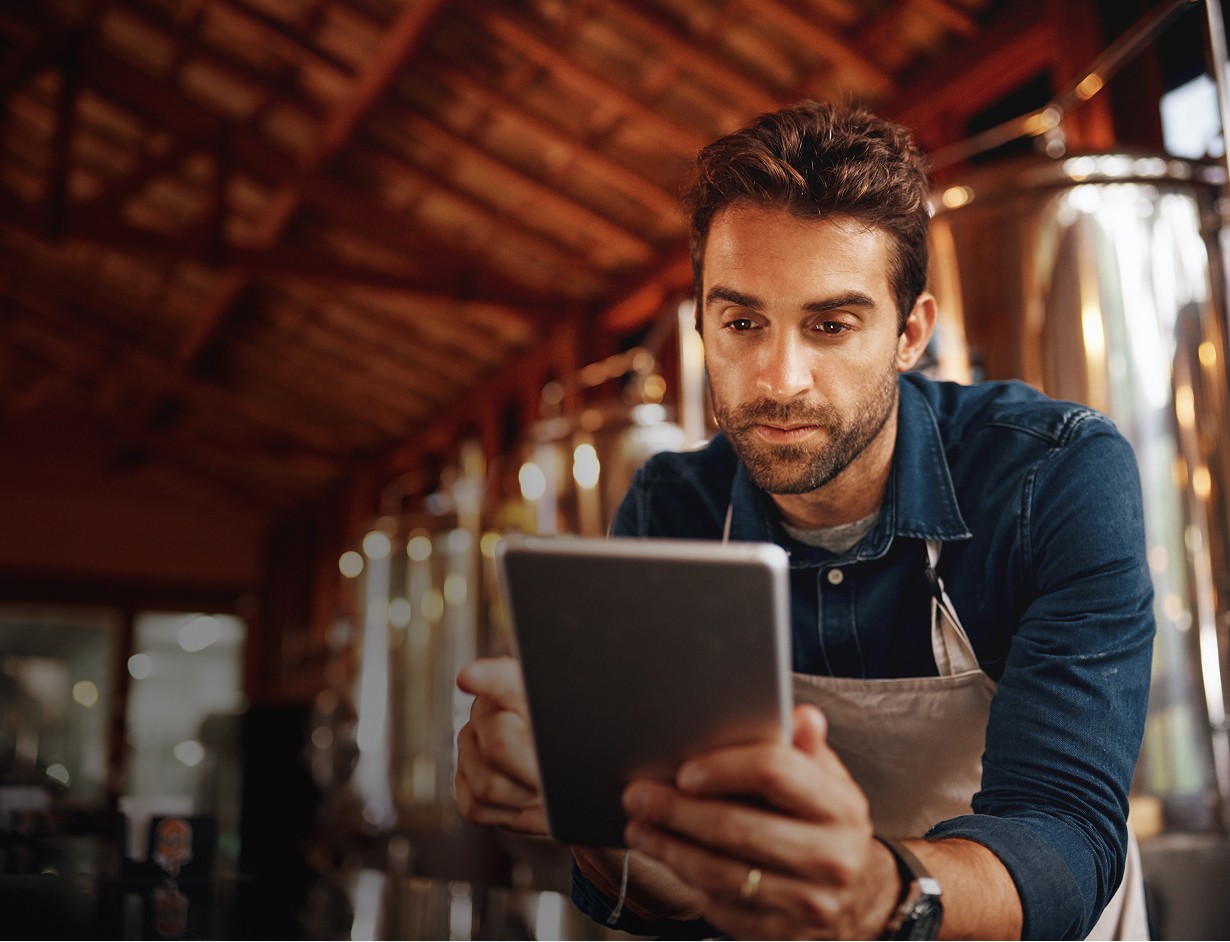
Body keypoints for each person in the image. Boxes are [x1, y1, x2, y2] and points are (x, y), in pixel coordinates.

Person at [454, 101, 1155, 940]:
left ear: (910, 332)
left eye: (830, 325)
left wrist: (878, 898)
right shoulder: (671, 510)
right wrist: (600, 818)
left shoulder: (1054, 477)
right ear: (704, 324)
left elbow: (1065, 833)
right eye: (743, 322)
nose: (779, 378)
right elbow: (677, 902)